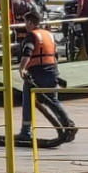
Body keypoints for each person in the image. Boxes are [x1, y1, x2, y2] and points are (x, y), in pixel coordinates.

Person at [17, 11, 70, 141]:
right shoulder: (49, 35)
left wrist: (22, 68)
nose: (25, 25)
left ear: (30, 22)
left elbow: (27, 52)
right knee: (53, 101)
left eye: (26, 22)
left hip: (37, 74)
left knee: (28, 101)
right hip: (52, 72)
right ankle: (68, 126)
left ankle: (26, 131)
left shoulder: (31, 36)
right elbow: (55, 55)